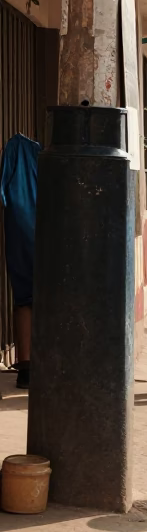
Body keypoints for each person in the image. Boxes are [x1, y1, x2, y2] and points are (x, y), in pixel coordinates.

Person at [0, 133, 40, 390]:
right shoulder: (33, 154)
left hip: (19, 231)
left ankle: (25, 367)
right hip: (46, 232)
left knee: (24, 299)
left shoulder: (17, 151)